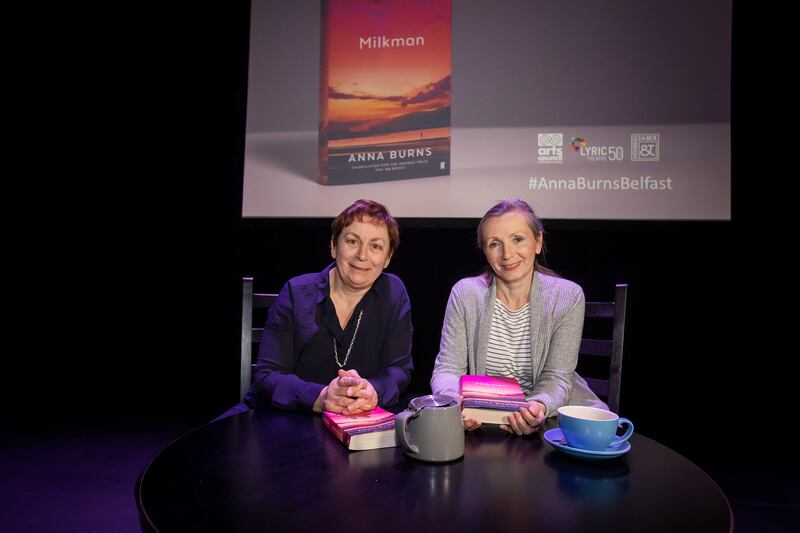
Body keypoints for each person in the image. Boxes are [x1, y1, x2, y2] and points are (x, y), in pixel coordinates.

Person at [221, 199, 413, 419]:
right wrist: (320, 397)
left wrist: (373, 391)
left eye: (375, 246)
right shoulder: (296, 291)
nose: (362, 255)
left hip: (353, 421)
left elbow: (399, 370)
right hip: (276, 418)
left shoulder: (394, 292)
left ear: (387, 258)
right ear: (333, 246)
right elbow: (267, 376)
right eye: (352, 241)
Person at [431, 199, 606, 436]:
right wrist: (454, 404)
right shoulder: (465, 293)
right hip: (480, 424)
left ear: (538, 241)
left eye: (518, 239)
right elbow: (448, 369)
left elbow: (557, 377)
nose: (507, 254)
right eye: (494, 244)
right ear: (484, 251)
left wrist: (537, 406)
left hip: (549, 420)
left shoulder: (567, 296)